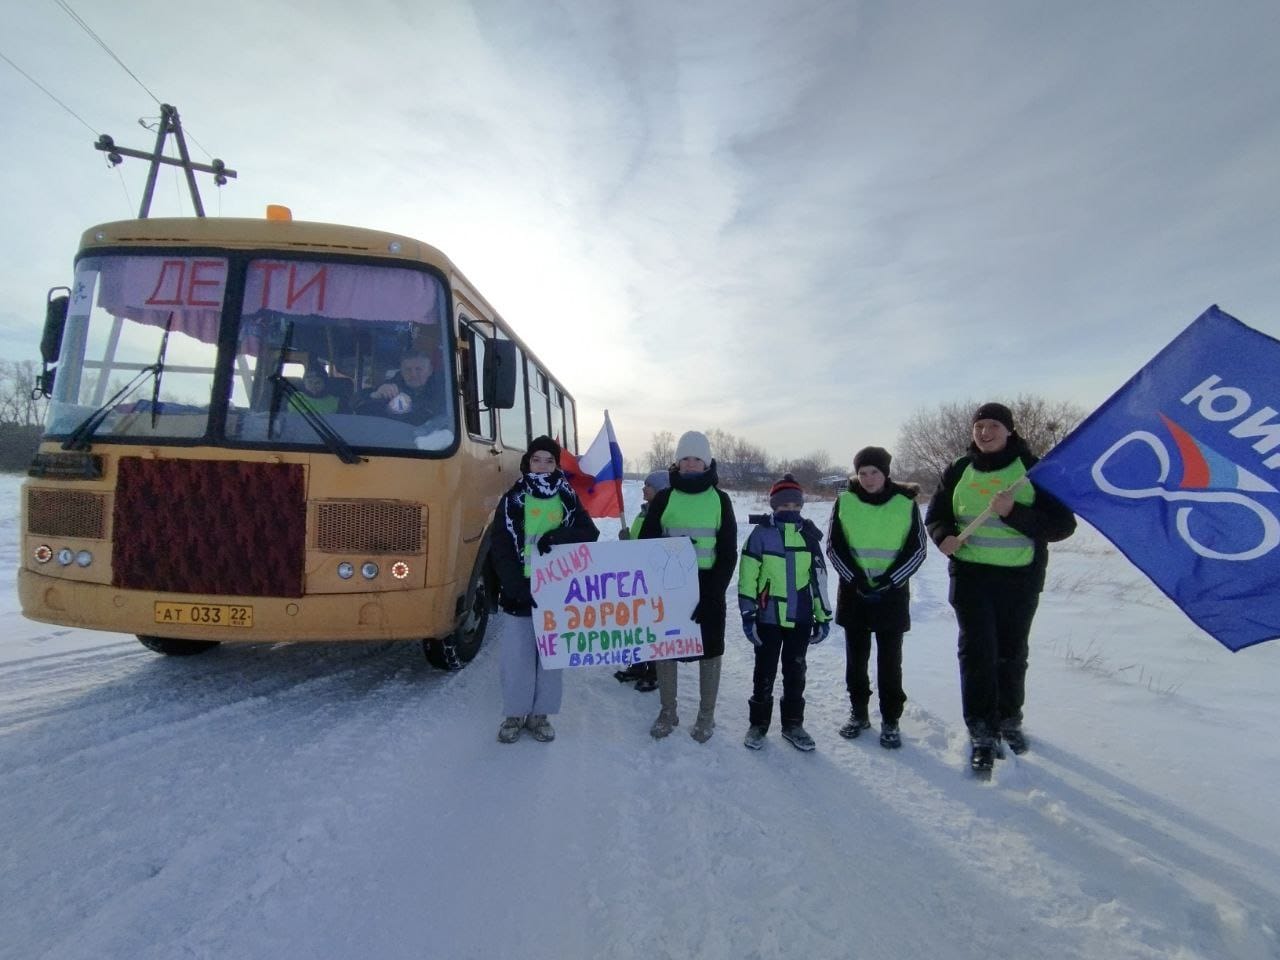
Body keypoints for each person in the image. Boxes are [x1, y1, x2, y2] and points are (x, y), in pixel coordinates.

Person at [925, 402, 1076, 773]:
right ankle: (980, 728)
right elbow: (937, 514)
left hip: (1019, 579)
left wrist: (1014, 513)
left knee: (1011, 652)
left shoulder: (1032, 470)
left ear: (1010, 431)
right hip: (971, 578)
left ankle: (1009, 720)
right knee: (978, 652)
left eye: (993, 425)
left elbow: (1062, 525)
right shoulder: (960, 469)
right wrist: (942, 536)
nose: (985, 432)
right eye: (980, 425)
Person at [488, 435, 600, 744]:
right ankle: (514, 714)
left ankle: (540, 715)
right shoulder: (512, 499)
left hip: (557, 591)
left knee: (551, 658)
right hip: (519, 592)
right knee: (517, 658)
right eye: (537, 459)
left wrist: (559, 537)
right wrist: (516, 586)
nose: (542, 465)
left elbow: (589, 532)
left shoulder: (567, 496)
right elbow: (500, 547)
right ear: (527, 462)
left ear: (556, 464)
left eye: (549, 460)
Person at [639, 430, 737, 743]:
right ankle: (668, 711)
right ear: (677, 462)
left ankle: (706, 716)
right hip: (669, 588)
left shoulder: (720, 500)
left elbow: (727, 552)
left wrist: (712, 594)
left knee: (710, 652)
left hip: (709, 589)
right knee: (665, 649)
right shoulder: (665, 498)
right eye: (685, 458)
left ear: (707, 462)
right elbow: (646, 543)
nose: (691, 463)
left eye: (697, 458)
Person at [826, 447, 927, 749]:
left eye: (875, 472)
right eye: (863, 473)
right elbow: (834, 547)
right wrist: (856, 579)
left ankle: (891, 719)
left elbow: (918, 549)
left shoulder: (905, 504)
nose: (869, 479)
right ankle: (859, 714)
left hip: (892, 596)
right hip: (854, 593)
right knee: (856, 660)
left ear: (886, 473)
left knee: (889, 661)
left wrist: (890, 580)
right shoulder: (844, 502)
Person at [738, 474, 832, 752]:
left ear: (801, 505)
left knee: (796, 671)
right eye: (783, 504)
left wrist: (823, 616)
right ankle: (758, 725)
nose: (789, 509)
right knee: (764, 671)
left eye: (794, 504)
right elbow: (747, 578)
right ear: (773, 505)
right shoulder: (761, 535)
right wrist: (748, 614)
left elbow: (819, 579)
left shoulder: (809, 536)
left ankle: (793, 724)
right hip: (768, 617)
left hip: (800, 618)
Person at [614, 469, 670, 692]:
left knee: (653, 625)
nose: (643, 488)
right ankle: (637, 665)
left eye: (648, 485)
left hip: (654, 580)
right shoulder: (642, 513)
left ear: (660, 490)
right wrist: (627, 541)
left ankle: (654, 671)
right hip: (637, 579)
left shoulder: (663, 514)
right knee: (636, 622)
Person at [355, 348, 445, 425]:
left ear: (430, 371)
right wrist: (374, 396)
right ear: (401, 371)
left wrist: (412, 405)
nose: (413, 374)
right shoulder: (389, 387)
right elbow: (357, 409)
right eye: (408, 369)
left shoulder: (444, 390)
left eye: (418, 369)